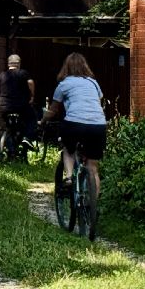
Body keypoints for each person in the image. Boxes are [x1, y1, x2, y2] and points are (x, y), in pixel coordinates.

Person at [43, 53, 107, 199]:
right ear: (85, 66)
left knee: (68, 149)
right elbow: (98, 99)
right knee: (92, 167)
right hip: (98, 125)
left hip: (74, 123)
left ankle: (70, 178)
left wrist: (43, 120)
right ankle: (92, 208)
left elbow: (53, 110)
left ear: (66, 67)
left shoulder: (64, 84)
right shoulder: (93, 82)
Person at [0, 54, 36, 154]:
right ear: (19, 64)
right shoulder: (23, 73)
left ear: (8, 64)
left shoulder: (2, 75)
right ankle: (27, 138)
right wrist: (32, 96)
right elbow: (30, 83)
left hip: (4, 107)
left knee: (10, 127)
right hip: (21, 106)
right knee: (32, 118)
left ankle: (11, 151)